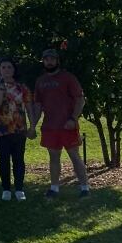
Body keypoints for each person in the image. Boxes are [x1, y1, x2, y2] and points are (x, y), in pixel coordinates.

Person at [30, 48, 89, 198]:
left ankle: (85, 188)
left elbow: (80, 99)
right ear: (43, 61)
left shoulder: (68, 77)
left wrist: (73, 118)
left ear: (57, 61)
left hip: (67, 125)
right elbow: (37, 105)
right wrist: (32, 125)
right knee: (54, 157)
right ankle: (54, 188)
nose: (49, 62)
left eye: (52, 59)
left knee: (74, 156)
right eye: (46, 59)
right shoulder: (40, 81)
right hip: (50, 127)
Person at [0, 58, 31, 201]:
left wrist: (32, 126)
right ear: (0, 70)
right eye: (3, 67)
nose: (6, 70)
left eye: (9, 67)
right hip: (1, 129)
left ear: (14, 70)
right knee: (3, 159)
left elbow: (29, 106)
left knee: (19, 159)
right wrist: (1, 89)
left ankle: (19, 189)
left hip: (19, 129)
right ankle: (6, 189)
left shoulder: (21, 87)